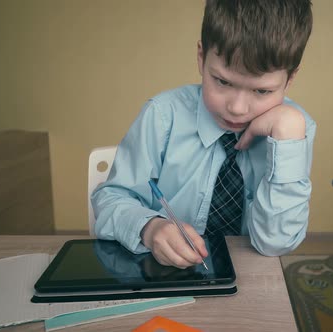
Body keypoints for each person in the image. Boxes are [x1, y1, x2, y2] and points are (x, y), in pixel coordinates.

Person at [92, 0, 316, 269]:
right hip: (163, 275)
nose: (237, 108)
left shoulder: (294, 132)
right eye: (222, 81)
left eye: (262, 91)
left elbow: (275, 244)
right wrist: (149, 228)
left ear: (290, 79)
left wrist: (288, 135)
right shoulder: (163, 116)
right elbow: (110, 199)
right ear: (201, 57)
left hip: (251, 277)